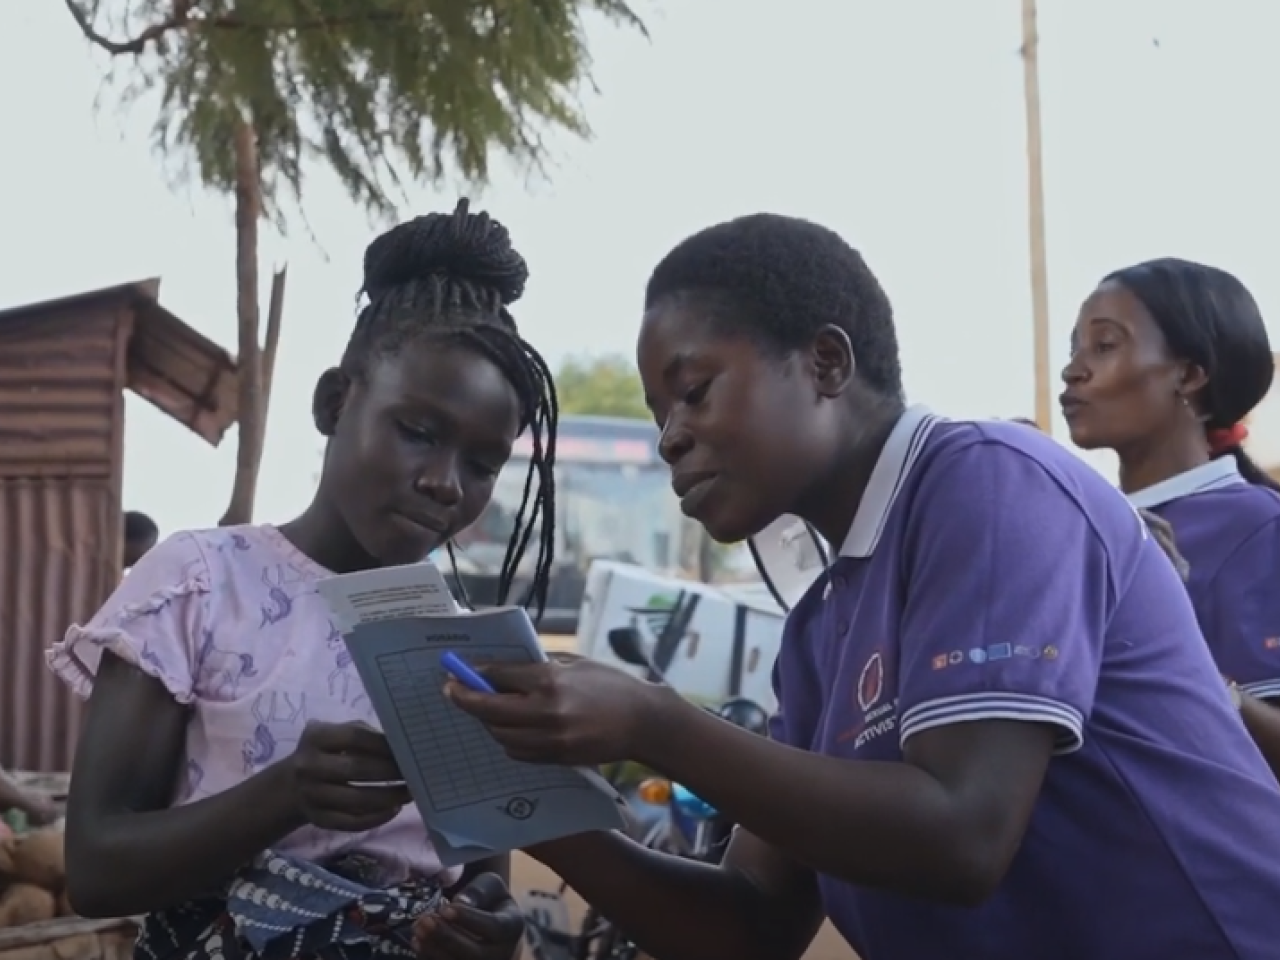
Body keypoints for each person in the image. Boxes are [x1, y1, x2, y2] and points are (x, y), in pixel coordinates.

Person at [449, 214, 1280, 960]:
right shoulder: (820, 632)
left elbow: (963, 835)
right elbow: (747, 927)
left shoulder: (990, 484)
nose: (671, 438)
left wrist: (652, 719)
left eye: (692, 391)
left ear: (825, 361)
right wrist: (527, 803)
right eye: (661, 412)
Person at [47, 200, 557, 960]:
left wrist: (494, 922)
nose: (447, 484)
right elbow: (95, 867)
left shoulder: (458, 643)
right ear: (334, 402)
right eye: (418, 432)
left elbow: (483, 873)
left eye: (482, 464)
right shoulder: (198, 585)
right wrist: (285, 795)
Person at [1060, 257, 1280, 777]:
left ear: (1189, 374)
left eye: (1104, 345)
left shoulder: (1257, 527)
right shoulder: (1076, 529)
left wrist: (1163, 623)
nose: (1073, 369)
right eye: (1073, 348)